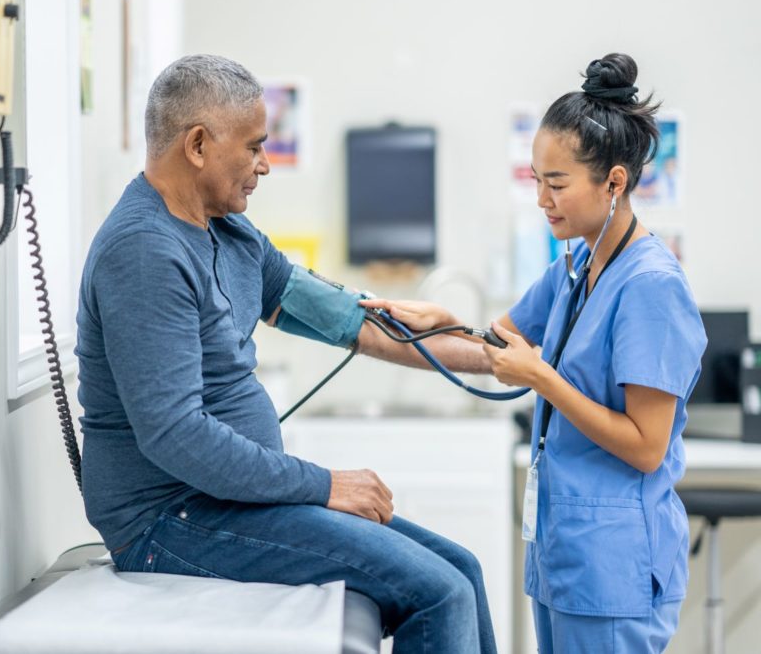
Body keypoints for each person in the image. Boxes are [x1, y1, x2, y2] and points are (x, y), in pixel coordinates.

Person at [75, 54, 496, 653]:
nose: (264, 165)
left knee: (464, 571)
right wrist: (322, 485)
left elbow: (346, 320)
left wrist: (493, 358)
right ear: (197, 145)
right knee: (439, 592)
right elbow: (175, 435)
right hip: (171, 521)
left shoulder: (228, 230)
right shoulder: (143, 253)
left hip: (229, 505)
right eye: (252, 147)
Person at [363, 53, 706, 653]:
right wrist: (443, 324)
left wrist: (544, 380)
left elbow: (648, 448)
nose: (542, 200)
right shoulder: (576, 265)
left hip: (615, 566)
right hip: (565, 557)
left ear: (615, 182)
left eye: (557, 184)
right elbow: (497, 348)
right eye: (536, 181)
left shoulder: (652, 286)